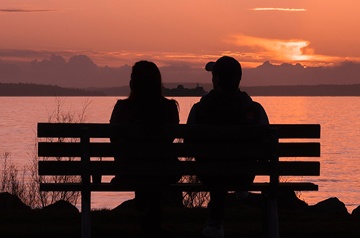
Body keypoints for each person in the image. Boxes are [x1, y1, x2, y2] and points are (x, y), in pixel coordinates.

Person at [186, 56, 269, 238]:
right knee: (227, 166)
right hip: (244, 174)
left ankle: (215, 224)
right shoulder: (255, 110)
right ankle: (232, 207)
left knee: (217, 167)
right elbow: (267, 147)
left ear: (215, 80)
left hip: (209, 174)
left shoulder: (199, 109)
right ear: (238, 80)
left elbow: (188, 146)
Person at [109, 60, 180, 237]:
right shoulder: (169, 108)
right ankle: (152, 217)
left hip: (129, 171)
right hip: (162, 171)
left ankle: (144, 207)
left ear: (133, 83)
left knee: (143, 166)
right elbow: (169, 140)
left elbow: (114, 140)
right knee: (156, 165)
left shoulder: (122, 108)